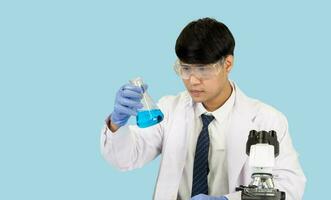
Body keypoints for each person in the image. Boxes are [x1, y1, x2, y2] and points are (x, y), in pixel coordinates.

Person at [100, 18, 306, 200]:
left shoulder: (267, 120)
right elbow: (126, 159)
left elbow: (290, 186)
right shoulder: (169, 109)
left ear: (228, 64)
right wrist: (117, 123)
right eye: (185, 68)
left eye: (203, 69)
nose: (192, 80)